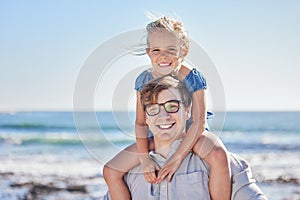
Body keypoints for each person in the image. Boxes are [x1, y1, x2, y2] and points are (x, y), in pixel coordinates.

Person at [103, 15, 231, 200]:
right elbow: (141, 123)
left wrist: (176, 158)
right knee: (110, 171)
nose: (163, 56)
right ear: (148, 52)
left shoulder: (193, 78)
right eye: (156, 50)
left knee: (218, 154)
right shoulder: (144, 80)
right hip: (159, 133)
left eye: (171, 50)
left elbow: (199, 122)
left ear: (183, 51)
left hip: (191, 132)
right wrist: (145, 159)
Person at [103, 75, 267, 200]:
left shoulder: (221, 163)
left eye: (172, 106)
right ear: (145, 117)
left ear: (188, 111)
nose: (163, 116)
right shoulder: (129, 173)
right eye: (153, 108)